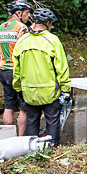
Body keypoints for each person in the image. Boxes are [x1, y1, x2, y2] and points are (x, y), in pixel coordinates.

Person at [12, 8, 70, 147]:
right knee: (52, 121)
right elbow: (61, 68)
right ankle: (52, 147)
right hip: (50, 90)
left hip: (29, 90)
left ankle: (32, 150)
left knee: (32, 120)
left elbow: (16, 69)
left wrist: (17, 87)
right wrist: (66, 89)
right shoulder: (52, 40)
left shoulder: (22, 41)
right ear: (48, 23)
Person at [0, 0, 31, 136]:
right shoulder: (21, 28)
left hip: (4, 71)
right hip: (18, 72)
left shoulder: (1, 27)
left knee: (8, 106)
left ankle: (8, 138)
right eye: (27, 13)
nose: (28, 16)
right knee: (23, 108)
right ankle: (20, 139)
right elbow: (25, 53)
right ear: (19, 13)